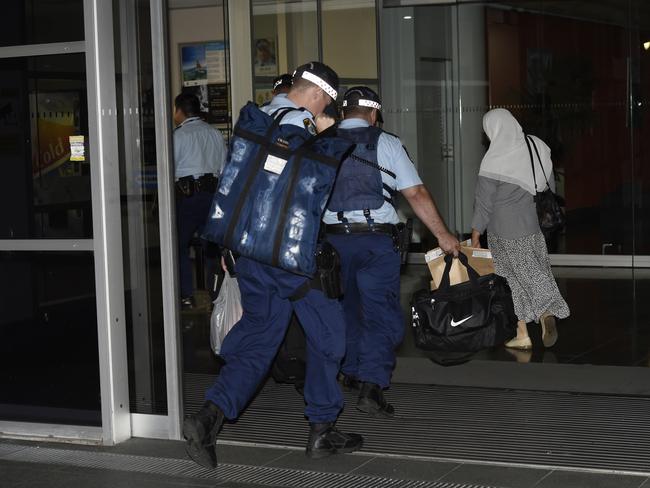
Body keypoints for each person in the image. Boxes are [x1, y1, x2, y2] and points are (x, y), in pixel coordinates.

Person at [183, 62, 363, 469]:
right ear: (319, 96)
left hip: (249, 256)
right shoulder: (301, 128)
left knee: (260, 342)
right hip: (290, 261)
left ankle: (208, 419)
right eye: (327, 103)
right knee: (330, 337)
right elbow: (313, 187)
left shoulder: (255, 123)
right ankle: (321, 429)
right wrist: (327, 132)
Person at [323, 87, 460, 417]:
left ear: (344, 112)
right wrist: (442, 235)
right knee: (380, 314)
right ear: (374, 114)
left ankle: (351, 371)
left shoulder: (322, 142)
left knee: (345, 310)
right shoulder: (386, 143)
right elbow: (415, 193)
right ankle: (371, 385)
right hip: (374, 242)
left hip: (332, 244)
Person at [471, 108, 570, 350]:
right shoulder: (535, 144)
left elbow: (483, 204)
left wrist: (475, 234)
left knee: (513, 278)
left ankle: (545, 311)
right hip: (531, 223)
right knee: (529, 271)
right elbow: (546, 180)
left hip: (502, 228)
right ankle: (522, 334)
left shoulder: (493, 158)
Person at [173, 93, 227, 309]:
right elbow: (223, 168)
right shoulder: (214, 133)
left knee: (179, 247)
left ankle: (186, 295)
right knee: (212, 247)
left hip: (187, 198)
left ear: (180, 111)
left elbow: (170, 167)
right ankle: (215, 295)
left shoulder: (178, 136)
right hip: (212, 197)